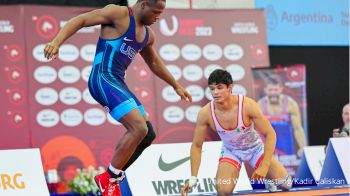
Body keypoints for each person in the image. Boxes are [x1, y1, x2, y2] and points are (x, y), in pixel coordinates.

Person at [43, 1, 192, 195]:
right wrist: (56, 42)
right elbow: (81, 20)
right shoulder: (118, 14)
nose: (158, 17)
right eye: (156, 12)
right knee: (138, 127)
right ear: (144, 4)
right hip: (102, 78)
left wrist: (176, 86)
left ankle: (110, 178)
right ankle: (109, 180)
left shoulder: (147, 35)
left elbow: (154, 62)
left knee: (147, 135)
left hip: (117, 82)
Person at [181, 69, 291, 196]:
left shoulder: (247, 105)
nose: (215, 92)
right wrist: (193, 178)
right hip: (232, 151)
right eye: (212, 89)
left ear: (230, 87)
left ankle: (269, 178)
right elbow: (196, 146)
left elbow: (270, 134)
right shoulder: (205, 113)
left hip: (255, 149)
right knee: (223, 191)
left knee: (286, 184)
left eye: (219, 87)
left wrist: (264, 165)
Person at [257, 76, 306, 157]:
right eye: (270, 90)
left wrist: (303, 147)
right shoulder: (260, 105)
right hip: (268, 148)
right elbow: (256, 131)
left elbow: (298, 128)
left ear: (281, 89)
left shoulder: (290, 104)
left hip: (287, 148)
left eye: (275, 90)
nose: (273, 93)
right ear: (265, 90)